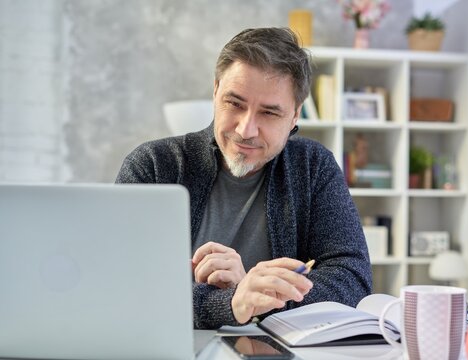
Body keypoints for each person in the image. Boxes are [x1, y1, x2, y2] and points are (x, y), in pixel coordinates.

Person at [116, 27, 372, 329]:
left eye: (269, 113)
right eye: (234, 103)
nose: (245, 130)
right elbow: (120, 283)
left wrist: (257, 293)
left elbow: (352, 279)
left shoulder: (313, 167)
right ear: (215, 92)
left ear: (295, 116)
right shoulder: (153, 166)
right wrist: (234, 301)